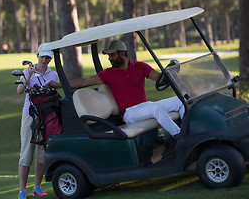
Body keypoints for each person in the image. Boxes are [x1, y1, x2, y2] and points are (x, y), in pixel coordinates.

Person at [49, 40, 184, 137]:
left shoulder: (140, 67)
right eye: (108, 56)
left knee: (181, 100)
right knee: (155, 108)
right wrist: (59, 85)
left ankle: (189, 131)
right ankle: (179, 136)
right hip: (130, 113)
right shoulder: (108, 73)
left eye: (112, 55)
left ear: (122, 54)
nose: (109, 59)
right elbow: (85, 82)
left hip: (145, 106)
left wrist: (172, 72)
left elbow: (160, 79)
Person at [16, 44, 59, 199]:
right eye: (42, 57)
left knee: (42, 154)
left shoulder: (53, 74)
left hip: (46, 115)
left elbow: (55, 94)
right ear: (37, 55)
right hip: (30, 115)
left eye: (48, 58)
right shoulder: (28, 71)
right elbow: (20, 91)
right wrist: (28, 75)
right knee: (26, 153)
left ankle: (37, 187)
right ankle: (22, 190)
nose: (44, 60)